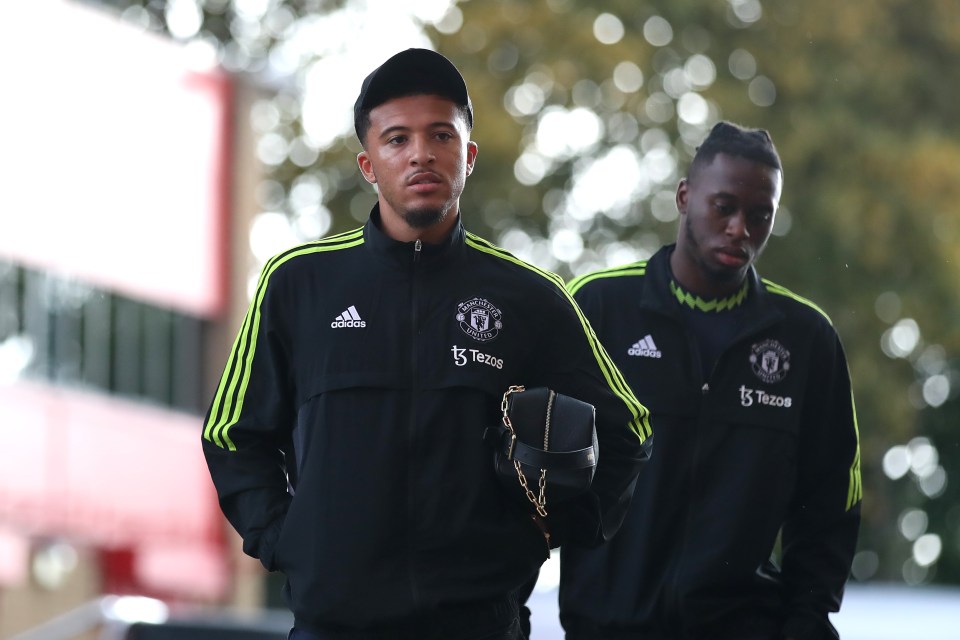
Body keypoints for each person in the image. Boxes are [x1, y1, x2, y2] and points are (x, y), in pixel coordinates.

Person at [201, 48, 652, 640]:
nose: (420, 153)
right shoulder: (298, 283)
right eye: (397, 139)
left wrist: (545, 532)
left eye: (440, 135)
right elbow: (232, 434)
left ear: (466, 154)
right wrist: (288, 541)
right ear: (368, 164)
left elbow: (630, 430)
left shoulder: (530, 298)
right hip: (333, 624)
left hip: (479, 624)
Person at [554, 121, 861, 640]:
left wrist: (808, 620)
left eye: (760, 215)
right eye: (725, 207)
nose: (741, 228)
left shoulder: (806, 339)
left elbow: (831, 499)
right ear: (684, 196)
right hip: (606, 627)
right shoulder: (598, 307)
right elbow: (530, 466)